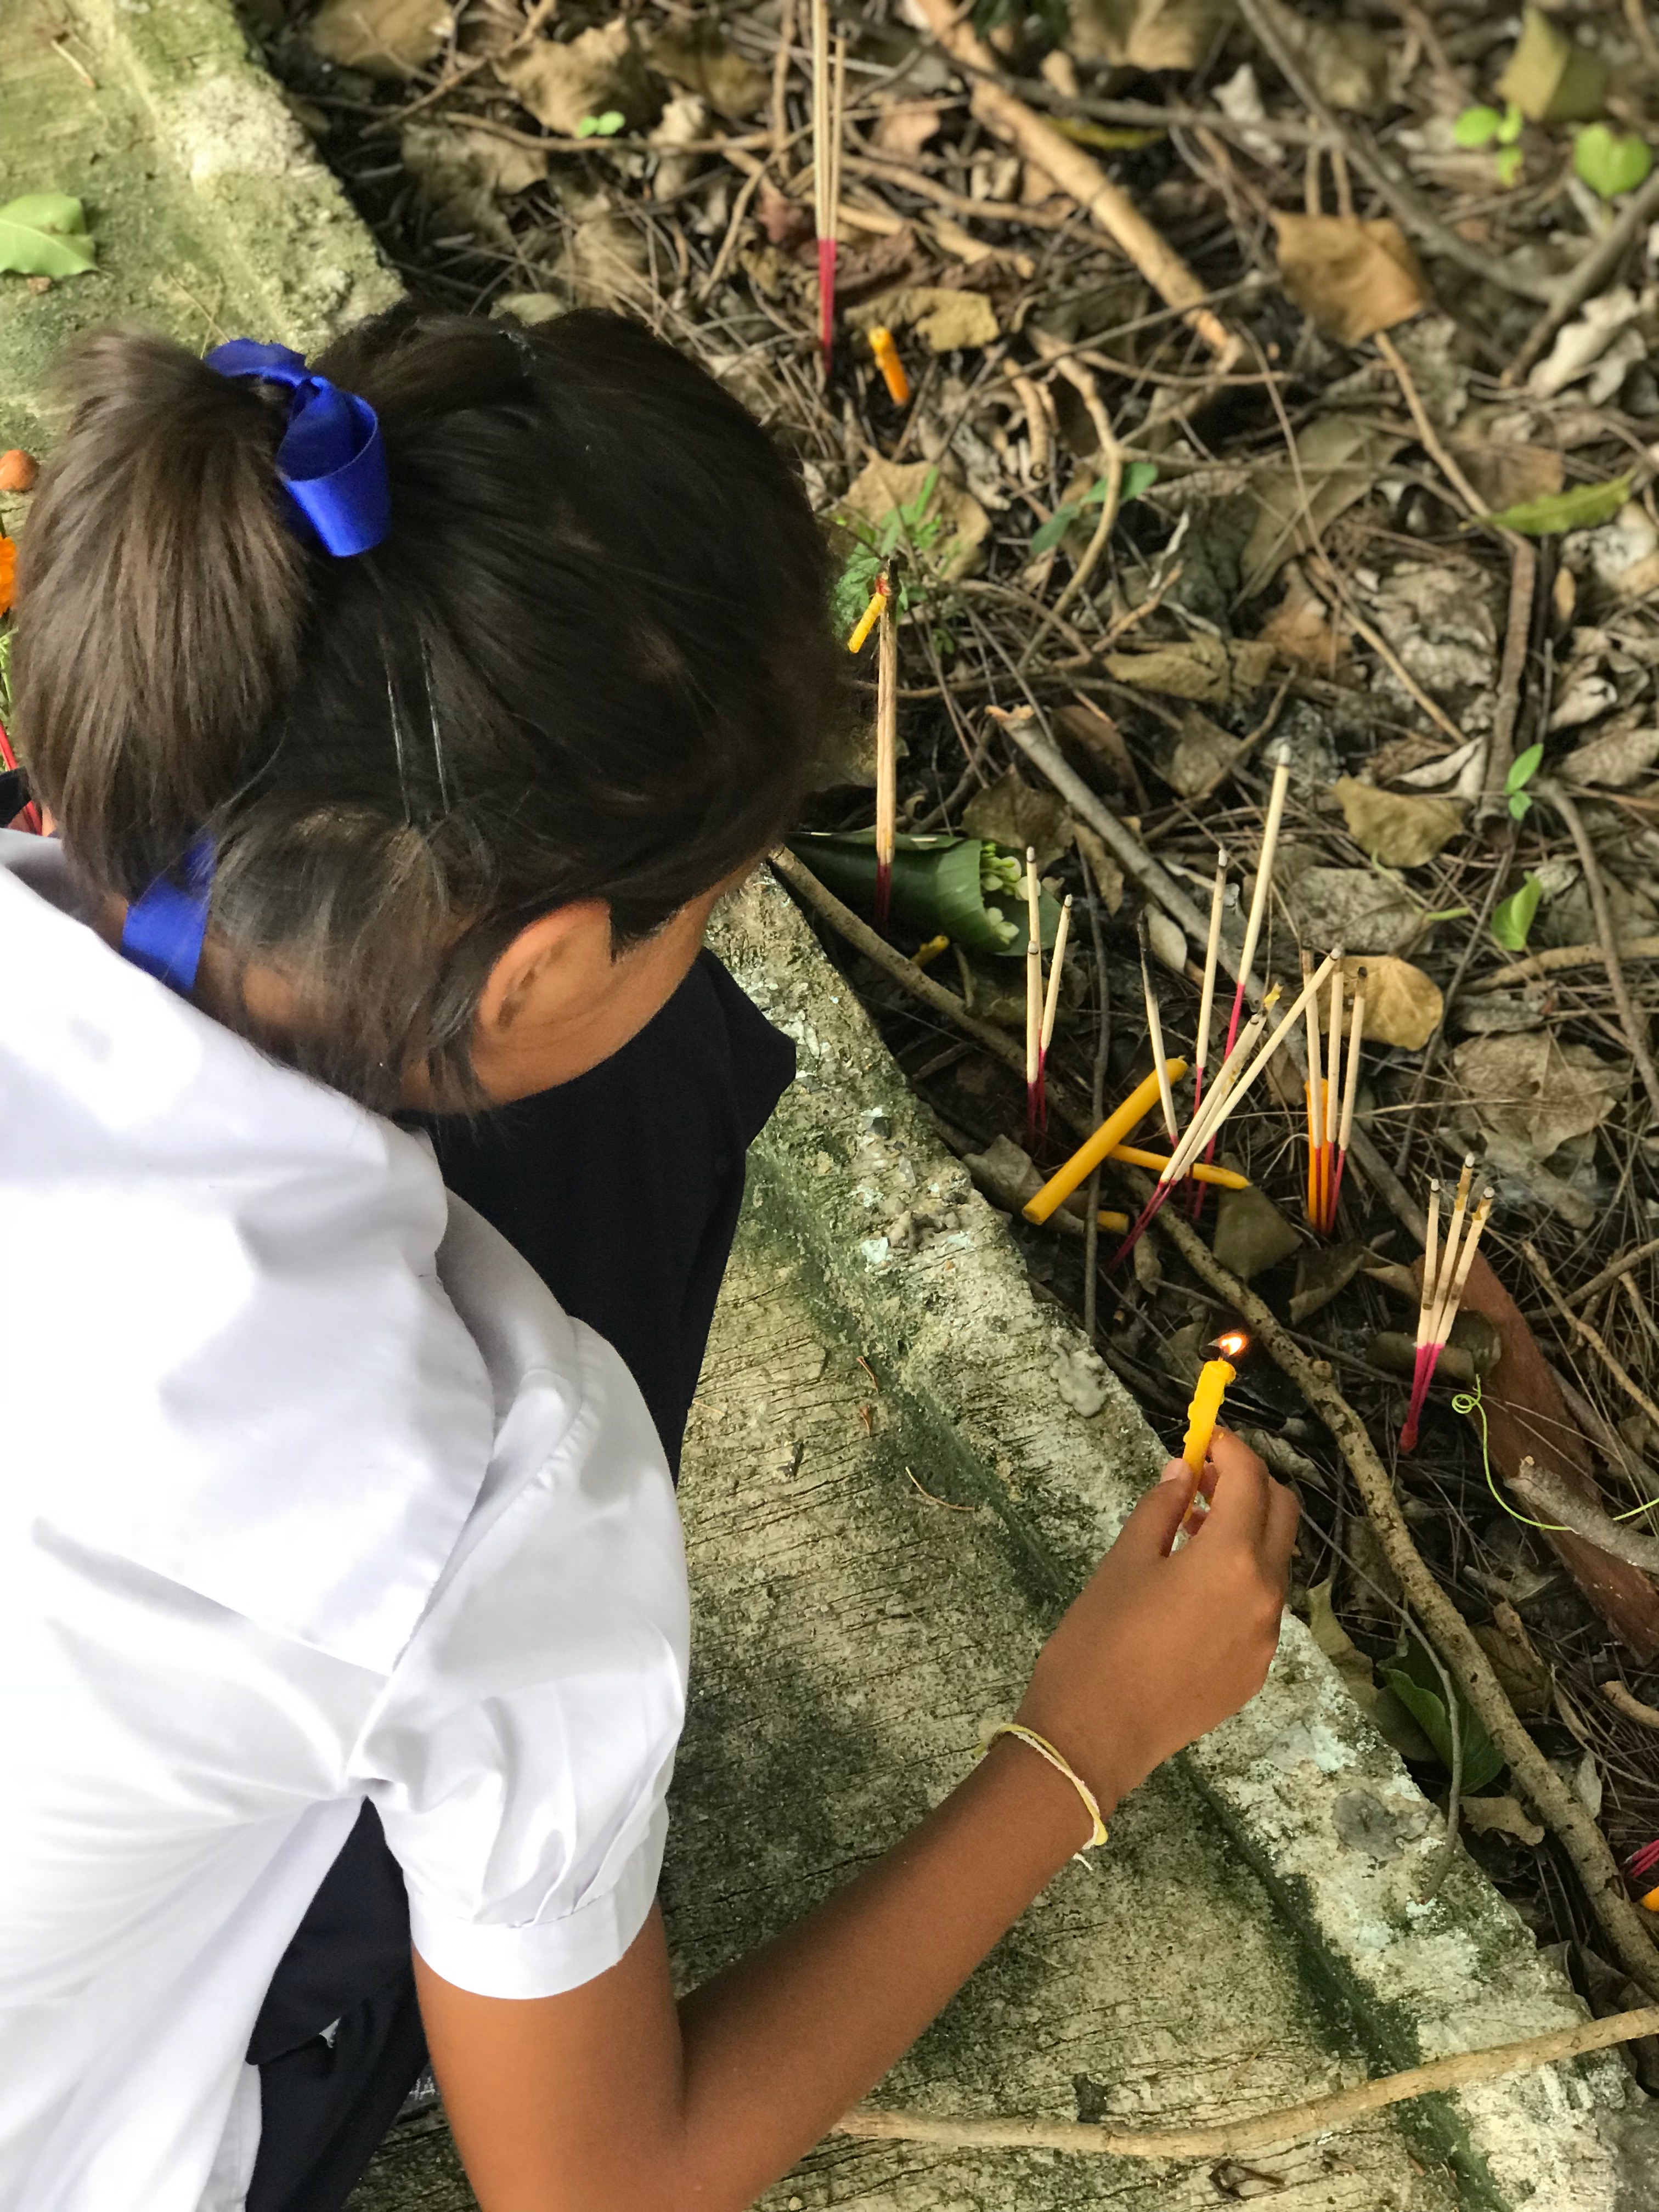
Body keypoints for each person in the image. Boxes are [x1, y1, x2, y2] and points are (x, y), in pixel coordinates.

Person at [0, 305, 1297, 2212]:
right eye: (704, 904)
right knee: (653, 1091)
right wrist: (1086, 1737)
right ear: (531, 967)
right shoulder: (475, 1495)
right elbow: (603, 2187)